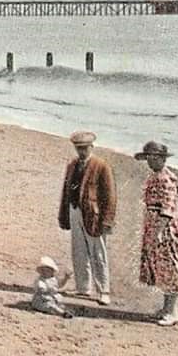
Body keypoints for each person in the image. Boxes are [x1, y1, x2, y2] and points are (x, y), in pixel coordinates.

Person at [57, 131, 117, 306]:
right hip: (74, 210)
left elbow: (110, 196)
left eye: (84, 148)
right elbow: (66, 192)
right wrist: (63, 215)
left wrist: (107, 221)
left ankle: (104, 290)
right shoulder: (72, 165)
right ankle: (83, 287)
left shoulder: (101, 166)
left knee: (98, 253)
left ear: (92, 147)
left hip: (94, 215)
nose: (81, 151)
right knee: (79, 250)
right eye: (78, 148)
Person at [135, 141, 178, 326]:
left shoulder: (166, 179)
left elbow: (168, 208)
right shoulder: (156, 176)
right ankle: (166, 309)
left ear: (161, 159)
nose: (150, 161)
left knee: (169, 269)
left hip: (166, 229)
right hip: (155, 224)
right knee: (161, 269)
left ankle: (173, 312)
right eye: (148, 157)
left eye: (153, 157)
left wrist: (158, 232)